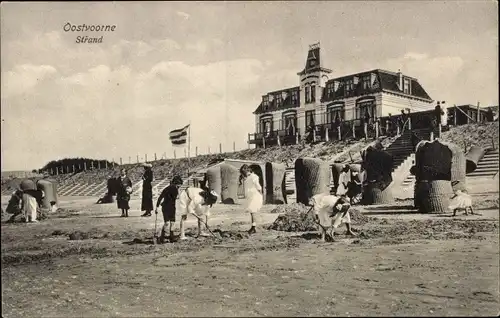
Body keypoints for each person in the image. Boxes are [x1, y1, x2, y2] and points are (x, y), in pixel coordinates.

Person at [155, 175, 183, 243]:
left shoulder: (166, 188)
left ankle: (164, 237)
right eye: (179, 185)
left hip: (167, 207)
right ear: (176, 183)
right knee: (171, 222)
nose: (179, 186)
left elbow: (160, 197)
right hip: (169, 207)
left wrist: (157, 207)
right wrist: (178, 190)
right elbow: (177, 197)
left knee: (168, 222)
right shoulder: (174, 189)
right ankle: (170, 237)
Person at [239, 164, 264, 234]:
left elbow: (258, 186)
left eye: (244, 173)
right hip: (250, 196)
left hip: (255, 196)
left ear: (248, 171)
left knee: (253, 211)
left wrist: (260, 194)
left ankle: (253, 227)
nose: (244, 175)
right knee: (252, 211)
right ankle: (253, 226)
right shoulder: (247, 178)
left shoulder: (254, 177)